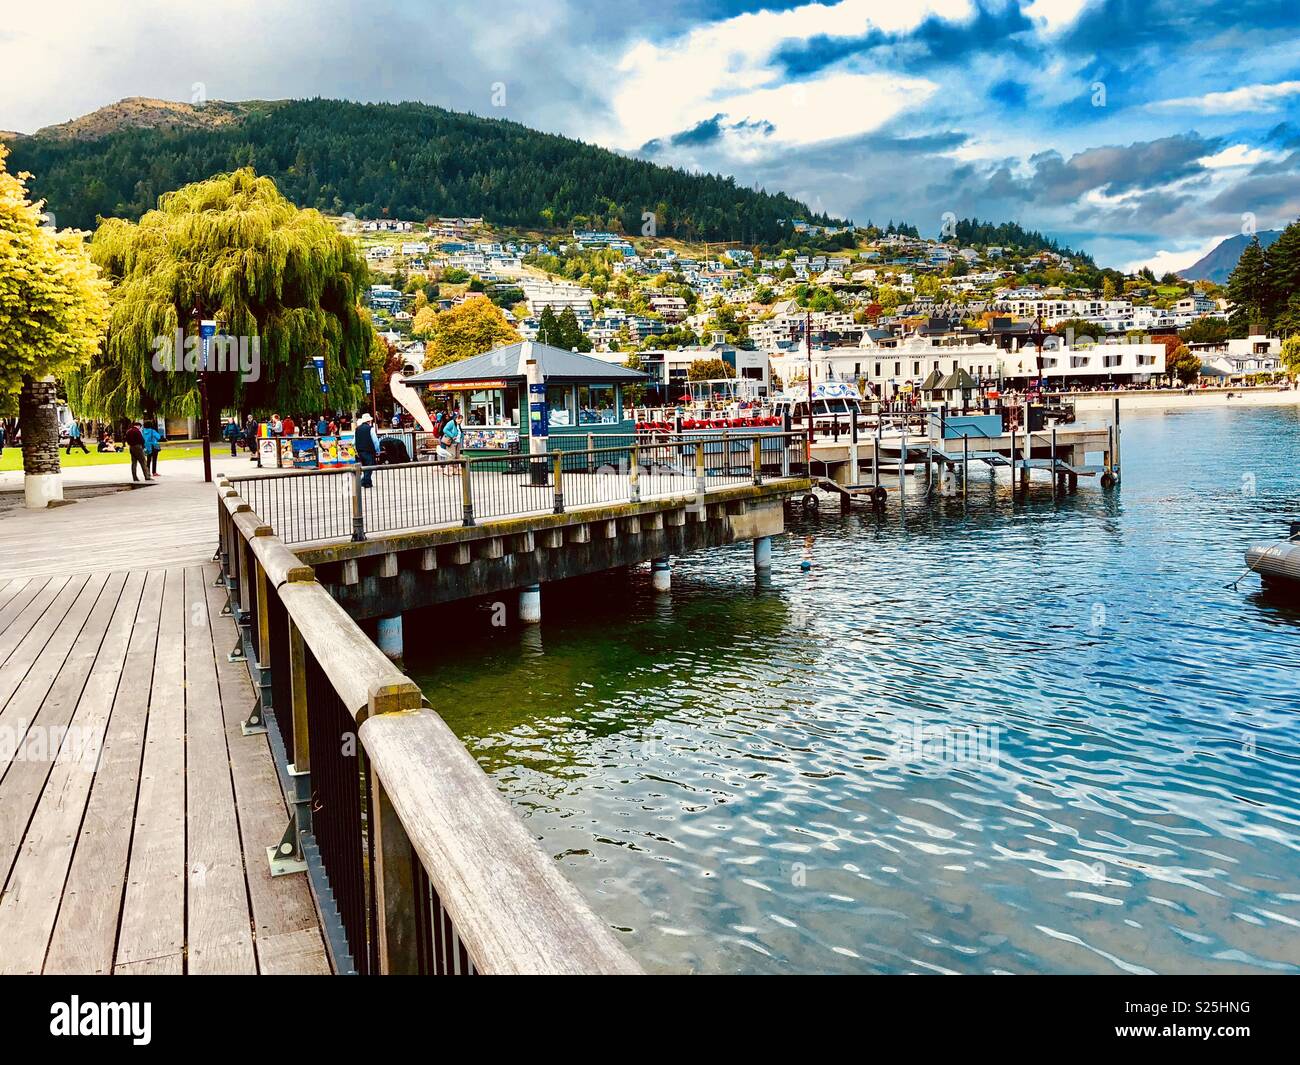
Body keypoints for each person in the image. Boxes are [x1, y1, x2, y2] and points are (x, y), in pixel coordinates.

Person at [354, 412, 380, 488]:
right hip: (369, 451)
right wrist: (378, 450)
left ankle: (368, 483)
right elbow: (375, 441)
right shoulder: (370, 429)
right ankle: (363, 482)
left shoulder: (357, 429)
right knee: (369, 467)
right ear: (369, 421)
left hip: (360, 451)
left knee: (365, 467)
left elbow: (354, 441)